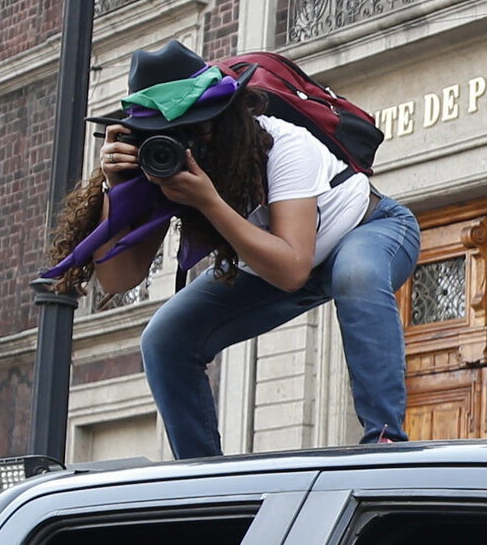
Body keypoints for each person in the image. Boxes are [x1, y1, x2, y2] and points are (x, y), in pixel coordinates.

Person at [45, 42, 421, 459]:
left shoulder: (284, 144)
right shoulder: (160, 168)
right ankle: (201, 473)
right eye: (168, 134)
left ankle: (384, 443)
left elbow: (293, 269)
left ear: (223, 118)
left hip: (366, 230)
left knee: (356, 275)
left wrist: (207, 201)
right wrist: (117, 191)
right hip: (273, 265)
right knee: (165, 339)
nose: (189, 145)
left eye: (196, 126)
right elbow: (120, 279)